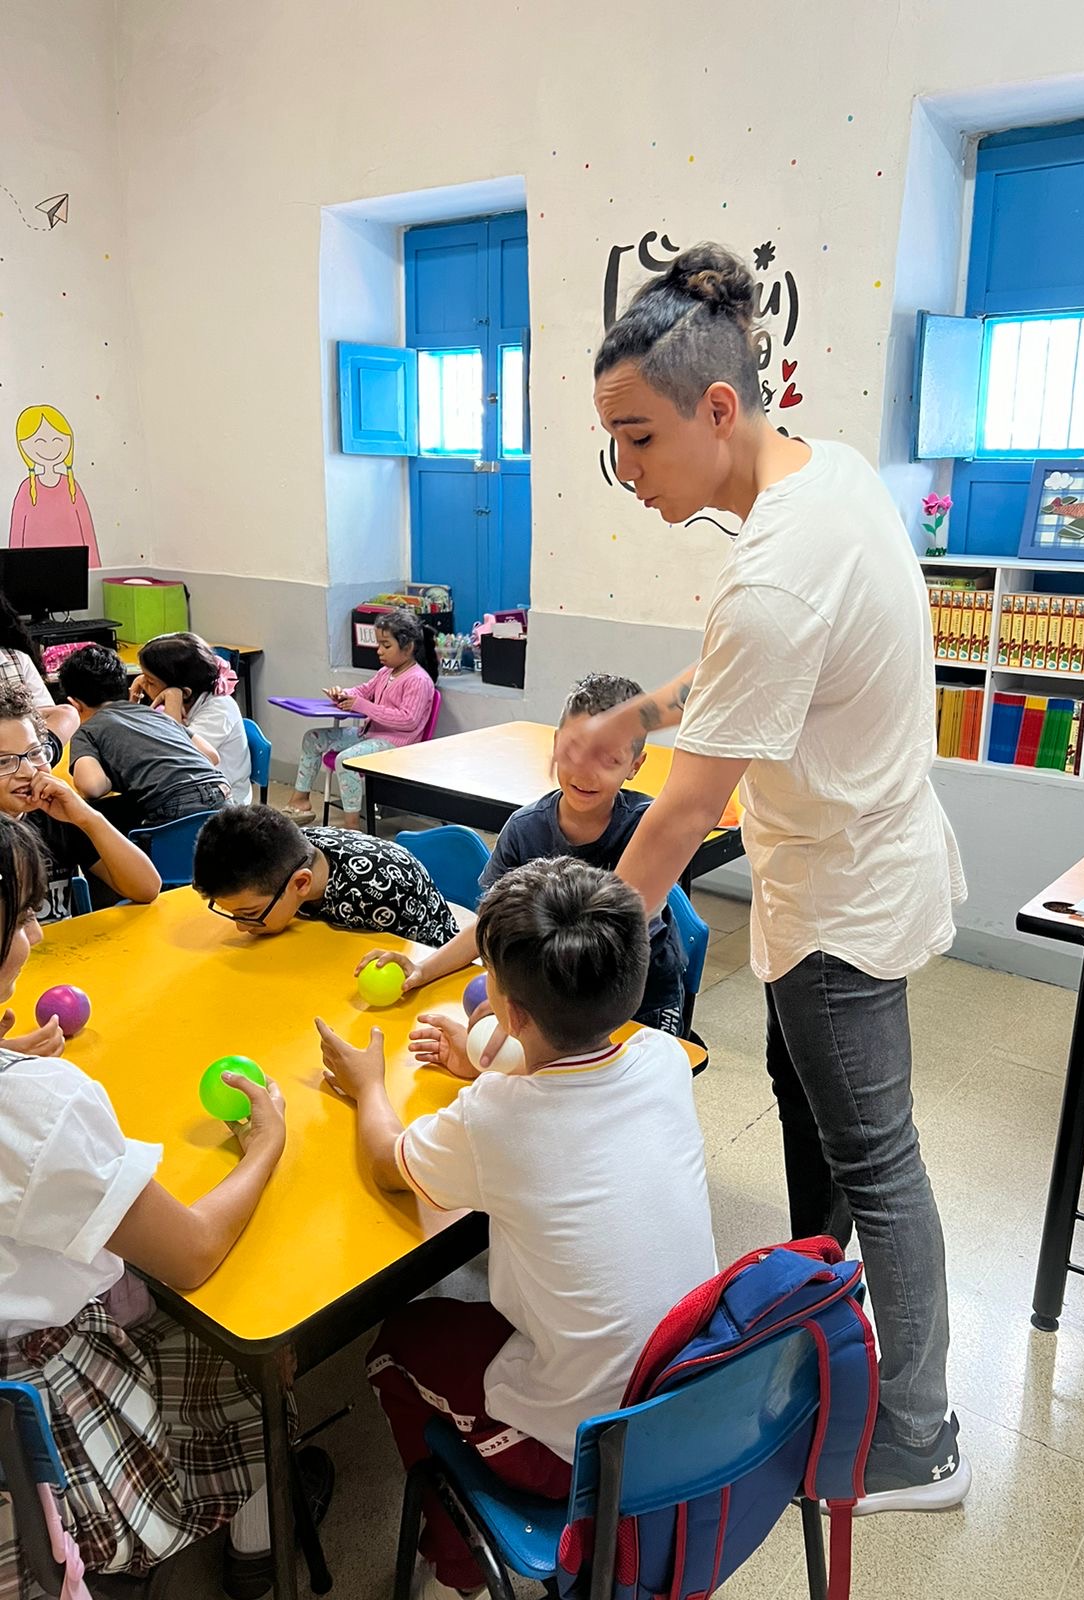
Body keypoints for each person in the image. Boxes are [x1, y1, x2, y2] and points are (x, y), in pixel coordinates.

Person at [560, 243, 969, 1512]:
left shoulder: (774, 575)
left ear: (719, 409)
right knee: (849, 1143)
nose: (624, 471)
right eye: (610, 440)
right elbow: (739, 674)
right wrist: (643, 706)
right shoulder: (825, 475)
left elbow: (682, 814)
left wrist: (563, 962)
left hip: (838, 899)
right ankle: (820, 1303)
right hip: (870, 857)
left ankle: (922, 1438)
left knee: (879, 1160)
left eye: (637, 438)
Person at [315, 858, 715, 1598]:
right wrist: (480, 1064)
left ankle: (458, 1560)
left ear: (508, 1007)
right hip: (690, 1395)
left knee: (397, 1345)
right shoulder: (662, 1056)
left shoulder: (498, 1116)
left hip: (585, 1451)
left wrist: (371, 1086)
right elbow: (547, 1089)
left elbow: (384, 1163)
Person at [0, 820, 332, 1600]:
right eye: (20, 918)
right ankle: (249, 1552)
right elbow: (190, 1250)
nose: (38, 931)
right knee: (253, 1354)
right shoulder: (38, 1109)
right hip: (43, 1414)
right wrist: (266, 1146)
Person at [354, 673, 688, 1046]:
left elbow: (615, 934)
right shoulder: (525, 829)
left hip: (642, 997)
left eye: (609, 759)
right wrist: (421, 968)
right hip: (556, 995)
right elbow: (489, 925)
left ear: (635, 765)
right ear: (558, 743)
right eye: (577, 750)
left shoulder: (647, 829)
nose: (585, 772)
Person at [192, 803, 458, 947]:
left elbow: (401, 963)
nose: (240, 927)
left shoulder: (375, 893)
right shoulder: (291, 853)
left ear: (301, 883)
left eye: (250, 914)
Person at [0, 685, 161, 921]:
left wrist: (87, 817)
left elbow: (146, 888)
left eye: (35, 753)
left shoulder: (56, 815)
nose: (28, 771)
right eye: (4, 762)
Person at [284, 608, 438, 831]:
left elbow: (408, 720)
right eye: (379, 645)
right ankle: (300, 801)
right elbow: (364, 691)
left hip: (396, 744)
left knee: (346, 760)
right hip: (370, 734)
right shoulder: (387, 672)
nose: (379, 651)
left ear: (408, 647)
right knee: (313, 738)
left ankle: (352, 826)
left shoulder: (418, 680)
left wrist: (363, 706)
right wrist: (343, 694)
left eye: (386, 645)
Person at [59, 645, 229, 831]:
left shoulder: (87, 731)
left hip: (172, 804)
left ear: (74, 704)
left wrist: (115, 774)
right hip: (222, 792)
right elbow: (211, 756)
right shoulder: (155, 714)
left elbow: (91, 787)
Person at [133, 631, 253, 804]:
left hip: (223, 802)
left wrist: (173, 702)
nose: (142, 683)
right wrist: (134, 700)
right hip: (192, 789)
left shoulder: (219, 709)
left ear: (184, 692)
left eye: (150, 681)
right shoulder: (186, 702)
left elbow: (176, 757)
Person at [9, 404, 100, 567]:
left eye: (57, 440)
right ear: (24, 446)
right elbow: (16, 539)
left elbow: (87, 535)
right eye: (39, 441)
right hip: (34, 572)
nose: (49, 447)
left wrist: (94, 571)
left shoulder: (71, 487)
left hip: (73, 570)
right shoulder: (26, 490)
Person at [0, 589, 79, 749]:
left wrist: (38, 753)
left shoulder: (17, 660)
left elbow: (48, 716)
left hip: (18, 755)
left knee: (67, 713)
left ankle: (40, 756)